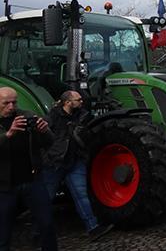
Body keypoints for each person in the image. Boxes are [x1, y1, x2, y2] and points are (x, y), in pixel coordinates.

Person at [40, 91, 113, 240]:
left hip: (74, 161)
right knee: (46, 198)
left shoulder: (82, 115)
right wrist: (47, 157)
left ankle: (93, 228)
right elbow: (43, 137)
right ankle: (38, 232)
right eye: (78, 100)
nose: (81, 101)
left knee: (81, 196)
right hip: (56, 162)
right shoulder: (53, 116)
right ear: (67, 102)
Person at [0, 87, 57, 251]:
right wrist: (8, 134)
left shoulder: (26, 116)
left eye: (14, 102)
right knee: (3, 232)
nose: (11, 107)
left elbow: (49, 142)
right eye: (6, 103)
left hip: (32, 180)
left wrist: (44, 131)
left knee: (47, 224)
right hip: (5, 186)